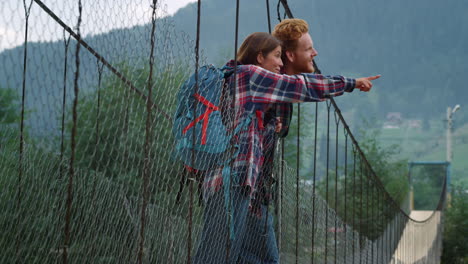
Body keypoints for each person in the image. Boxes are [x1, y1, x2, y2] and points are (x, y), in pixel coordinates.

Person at [193, 32, 380, 264]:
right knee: (215, 258)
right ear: (260, 57)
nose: (281, 64)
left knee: (259, 259)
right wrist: (351, 83)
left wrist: (270, 127)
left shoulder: (242, 82)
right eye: (277, 56)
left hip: (246, 189)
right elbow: (301, 86)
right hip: (229, 184)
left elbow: (241, 132)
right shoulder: (251, 76)